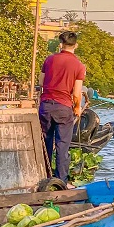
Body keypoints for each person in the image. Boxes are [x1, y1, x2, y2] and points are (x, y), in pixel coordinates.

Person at [39, 31, 86, 185]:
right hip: (64, 107)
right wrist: (78, 108)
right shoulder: (79, 65)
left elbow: (41, 82)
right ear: (76, 45)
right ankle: (60, 181)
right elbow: (77, 93)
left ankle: (44, 177)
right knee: (62, 145)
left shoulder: (49, 60)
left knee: (45, 142)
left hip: (45, 106)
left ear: (60, 45)